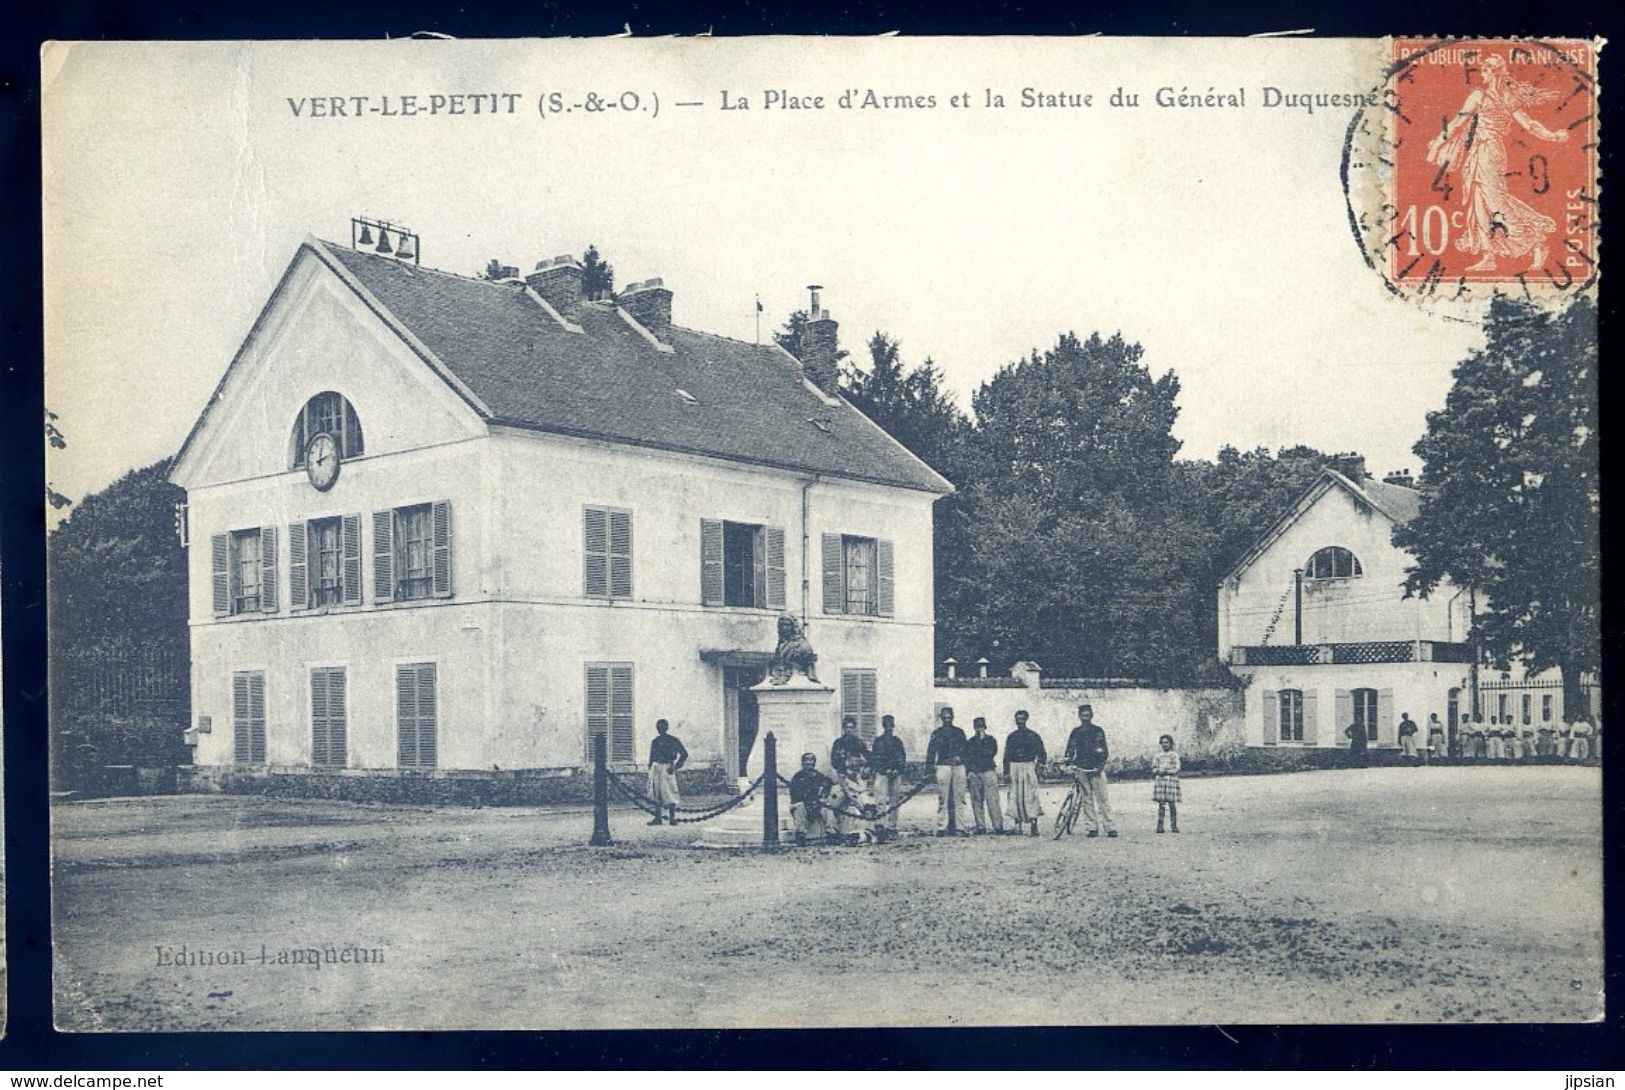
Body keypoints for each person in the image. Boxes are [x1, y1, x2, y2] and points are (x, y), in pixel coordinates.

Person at [1425, 53, 1569, 275]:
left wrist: (1436, 146)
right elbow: (1530, 125)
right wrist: (1553, 136)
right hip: (1481, 152)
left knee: (1494, 201)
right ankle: (1489, 255)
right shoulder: (1505, 98)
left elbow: (1456, 124)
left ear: (1492, 73)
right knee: (1479, 200)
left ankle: (1535, 240)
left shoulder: (1480, 96)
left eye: (1484, 70)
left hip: (1488, 152)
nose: (1481, 75)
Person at [1062, 704, 1117, 838]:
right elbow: (1070, 749)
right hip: (1081, 768)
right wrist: (1068, 763)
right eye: (1082, 715)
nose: (1085, 718)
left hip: (1096, 769)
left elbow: (1104, 751)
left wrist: (1100, 766)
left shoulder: (1098, 731)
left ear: (1092, 716)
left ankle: (1109, 827)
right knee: (1087, 799)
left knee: (1102, 799)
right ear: (1079, 716)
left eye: (1087, 715)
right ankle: (1092, 827)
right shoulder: (1076, 732)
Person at [926, 706, 972, 837]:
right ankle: (942, 826)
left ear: (953, 717)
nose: (947, 720)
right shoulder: (937, 733)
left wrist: (961, 759)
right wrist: (929, 770)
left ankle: (960, 827)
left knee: (960, 798)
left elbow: (966, 751)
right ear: (941, 718)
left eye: (949, 717)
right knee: (943, 798)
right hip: (943, 766)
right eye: (945, 717)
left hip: (958, 767)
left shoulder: (959, 732)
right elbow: (931, 752)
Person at [1003, 710, 1047, 837]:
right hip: (1014, 767)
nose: (1019, 721)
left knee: (1031, 795)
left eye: (1022, 719)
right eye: (1017, 719)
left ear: (1026, 719)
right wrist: (1006, 772)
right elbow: (1007, 756)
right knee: (1015, 796)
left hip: (1028, 766)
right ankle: (1017, 825)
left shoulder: (1033, 735)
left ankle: (1034, 825)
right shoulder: (1011, 737)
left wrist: (1039, 767)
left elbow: (1042, 754)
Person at [964, 717, 1005, 835]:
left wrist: (982, 741)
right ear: (974, 728)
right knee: (976, 800)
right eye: (977, 727)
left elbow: (990, 753)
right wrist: (970, 772)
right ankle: (980, 826)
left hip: (988, 771)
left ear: (985, 727)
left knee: (993, 800)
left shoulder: (991, 740)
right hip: (975, 773)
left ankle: (998, 826)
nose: (979, 729)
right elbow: (968, 757)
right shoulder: (970, 742)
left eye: (981, 726)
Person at [645, 719, 688, 826]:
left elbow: (684, 754)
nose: (661, 730)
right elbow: (652, 757)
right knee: (656, 792)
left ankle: (672, 818)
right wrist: (651, 769)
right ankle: (657, 818)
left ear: (667, 728)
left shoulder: (674, 740)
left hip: (668, 768)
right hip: (656, 768)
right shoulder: (655, 741)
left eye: (663, 727)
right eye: (659, 728)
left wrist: (675, 767)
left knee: (670, 792)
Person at [870, 715, 907, 833]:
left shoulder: (897, 741)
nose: (889, 728)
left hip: (895, 774)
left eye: (891, 725)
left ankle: (892, 826)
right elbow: (875, 758)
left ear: (894, 726)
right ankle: (880, 824)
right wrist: (885, 770)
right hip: (882, 774)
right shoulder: (878, 741)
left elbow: (902, 757)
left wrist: (897, 769)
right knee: (880, 800)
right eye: (886, 725)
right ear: (883, 726)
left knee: (894, 801)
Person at [787, 752, 834, 844]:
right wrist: (810, 802)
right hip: (802, 804)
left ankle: (831, 832)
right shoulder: (797, 777)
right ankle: (800, 833)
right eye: (807, 764)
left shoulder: (817, 775)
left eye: (812, 764)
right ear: (803, 764)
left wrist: (823, 795)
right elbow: (795, 797)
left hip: (816, 804)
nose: (810, 767)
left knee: (827, 807)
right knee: (799, 806)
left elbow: (828, 781)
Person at [1151, 733, 1181, 833]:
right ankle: (1160, 826)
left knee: (1172, 804)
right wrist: (1158, 771)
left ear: (1171, 744)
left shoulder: (1174, 755)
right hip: (1160, 781)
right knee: (1161, 805)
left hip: (1171, 781)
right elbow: (1154, 768)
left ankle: (1174, 826)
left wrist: (1167, 771)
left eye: (1167, 742)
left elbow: (1177, 768)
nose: (1164, 744)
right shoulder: (1158, 756)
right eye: (1163, 743)